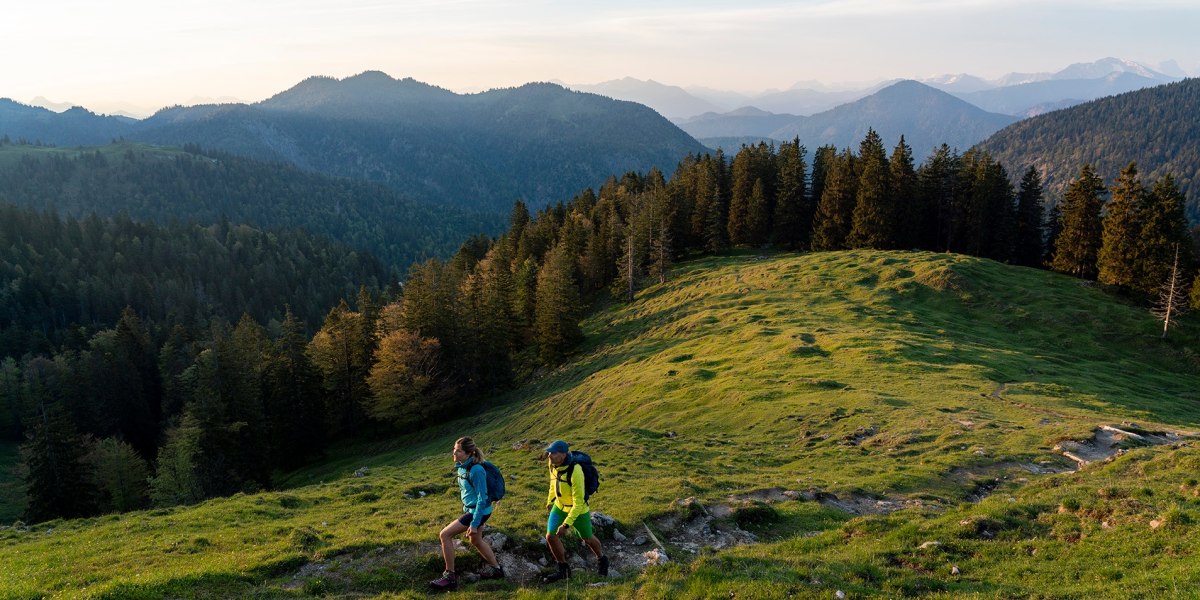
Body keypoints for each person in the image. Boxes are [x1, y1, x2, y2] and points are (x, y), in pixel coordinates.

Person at [429, 436, 504, 591]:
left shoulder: (476, 470)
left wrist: (475, 523)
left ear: (469, 453)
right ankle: (497, 570)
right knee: (475, 541)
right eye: (454, 450)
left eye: (458, 451)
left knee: (445, 535)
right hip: (475, 510)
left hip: (478, 511)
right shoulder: (462, 466)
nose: (454, 454)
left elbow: (482, 498)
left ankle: (450, 577)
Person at [542, 439, 608, 583]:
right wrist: (550, 501)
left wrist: (566, 525)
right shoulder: (552, 464)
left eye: (553, 453)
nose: (549, 456)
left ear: (564, 455)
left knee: (587, 538)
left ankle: (602, 559)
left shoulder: (575, 471)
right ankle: (563, 569)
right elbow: (553, 482)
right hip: (559, 506)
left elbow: (578, 503)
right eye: (549, 452)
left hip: (578, 510)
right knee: (550, 536)